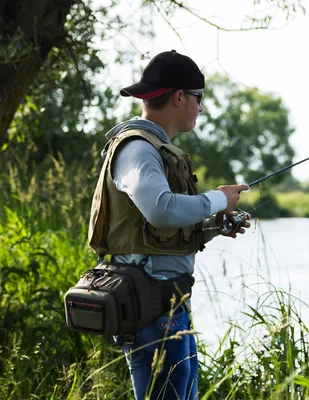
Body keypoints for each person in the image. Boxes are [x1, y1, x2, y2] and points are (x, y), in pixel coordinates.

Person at [87, 50, 250, 400]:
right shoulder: (137, 149)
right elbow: (161, 210)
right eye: (198, 98)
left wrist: (213, 224)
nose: (201, 107)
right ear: (179, 97)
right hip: (150, 304)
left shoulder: (155, 148)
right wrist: (220, 198)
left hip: (168, 302)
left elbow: (156, 228)